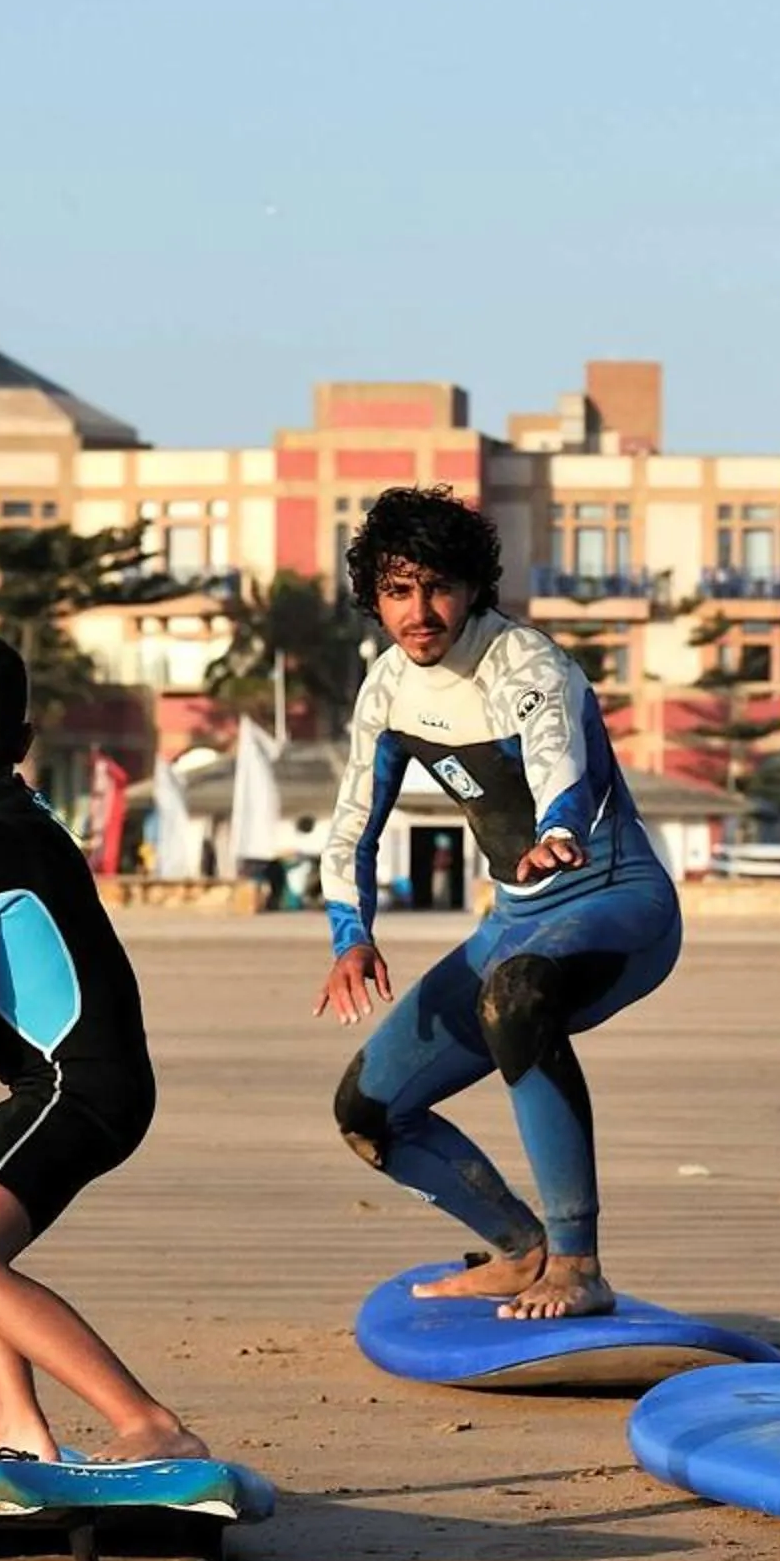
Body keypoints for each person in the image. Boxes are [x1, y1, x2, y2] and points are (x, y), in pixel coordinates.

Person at [313, 486, 680, 1320]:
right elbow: (352, 826)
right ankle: (522, 1252)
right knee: (369, 1112)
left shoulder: (527, 664)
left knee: (517, 997)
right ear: (373, 597)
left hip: (615, 901)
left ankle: (578, 1264)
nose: (420, 611)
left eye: (438, 586)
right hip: (515, 920)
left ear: (473, 586)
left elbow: (556, 757)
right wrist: (350, 934)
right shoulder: (386, 690)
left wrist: (557, 828)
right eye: (398, 590)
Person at [0, 629, 205, 1463]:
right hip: (99, 1078)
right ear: (24, 743)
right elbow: (40, 936)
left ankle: (148, 1423)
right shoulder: (30, 816)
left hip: (75, 1090)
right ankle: (17, 1424)